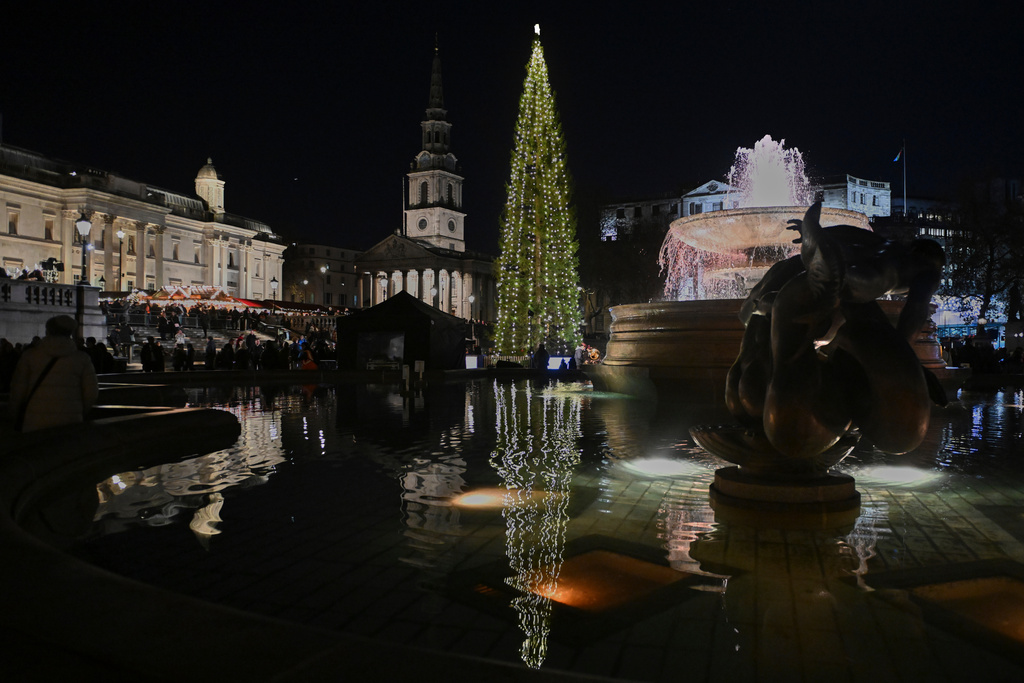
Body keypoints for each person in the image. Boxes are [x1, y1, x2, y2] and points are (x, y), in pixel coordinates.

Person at [9, 315, 99, 432]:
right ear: (70, 333)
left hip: (35, 418)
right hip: (70, 421)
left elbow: (18, 391)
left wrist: (14, 414)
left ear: (47, 331)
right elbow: (91, 393)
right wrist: (77, 410)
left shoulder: (30, 356)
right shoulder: (82, 359)